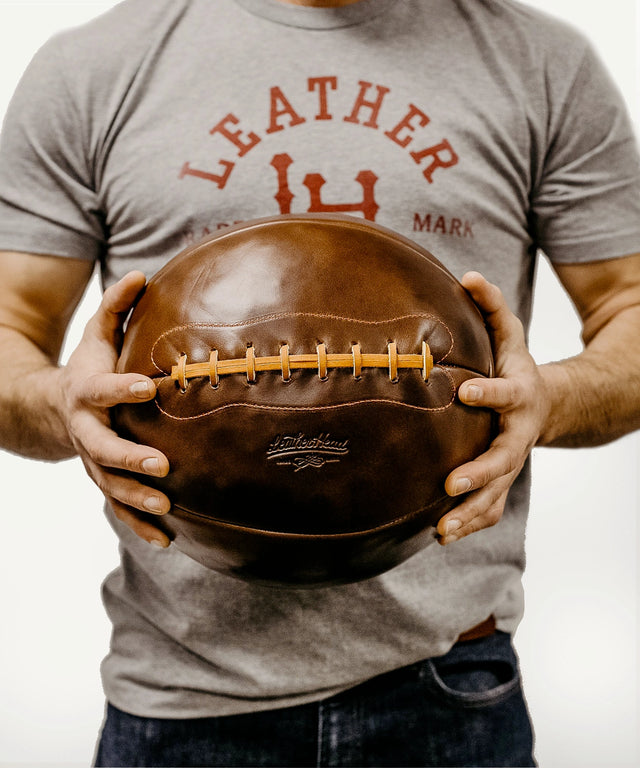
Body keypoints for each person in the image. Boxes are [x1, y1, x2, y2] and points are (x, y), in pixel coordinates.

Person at [0, 0, 638, 765]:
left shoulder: (541, 62)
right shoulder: (93, 69)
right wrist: (62, 405)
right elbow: (11, 328)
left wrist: (549, 401)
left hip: (452, 684)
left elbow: (626, 305)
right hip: (176, 692)